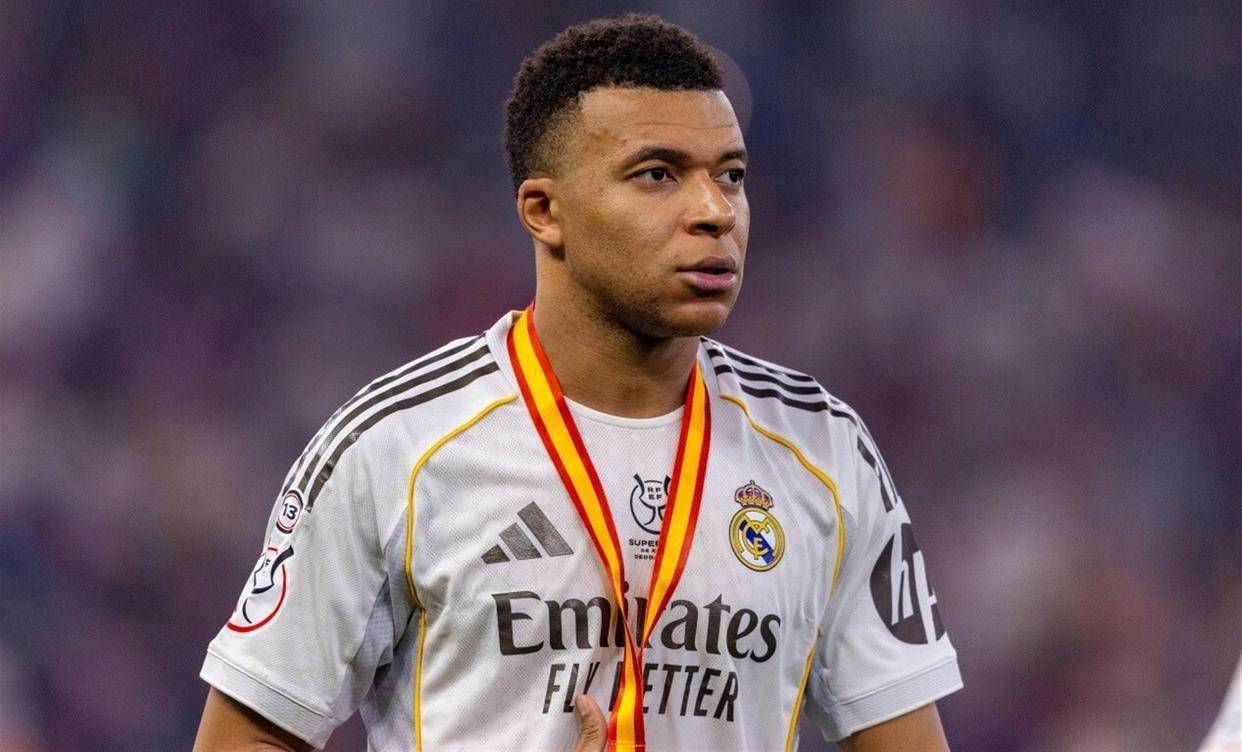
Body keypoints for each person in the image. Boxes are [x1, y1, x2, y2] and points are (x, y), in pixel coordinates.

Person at [193, 14, 961, 752]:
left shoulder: (825, 449)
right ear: (544, 211)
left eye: (731, 176)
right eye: (657, 175)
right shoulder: (397, 449)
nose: (715, 212)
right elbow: (246, 737)